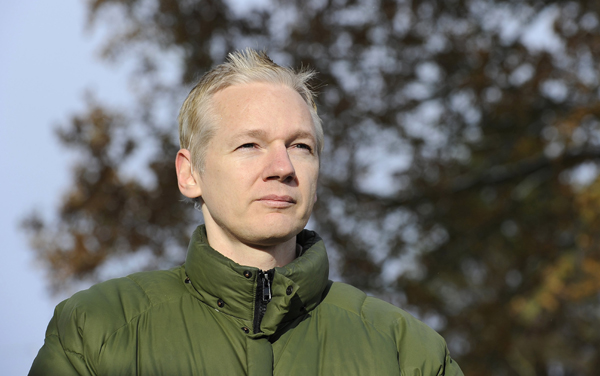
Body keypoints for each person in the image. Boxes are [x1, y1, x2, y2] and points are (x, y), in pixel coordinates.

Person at [29, 49, 463, 375]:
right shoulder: (97, 332)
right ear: (190, 173)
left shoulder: (408, 354)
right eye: (249, 145)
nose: (282, 168)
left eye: (300, 146)